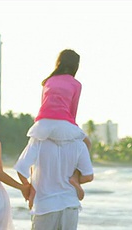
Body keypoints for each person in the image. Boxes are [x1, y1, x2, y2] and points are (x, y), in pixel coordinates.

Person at [27, 49, 91, 202]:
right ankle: (75, 177)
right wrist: (71, 133)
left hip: (41, 124)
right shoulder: (76, 84)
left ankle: (32, 183)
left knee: (35, 149)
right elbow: (72, 111)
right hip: (63, 121)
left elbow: (43, 105)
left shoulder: (47, 81)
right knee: (86, 143)